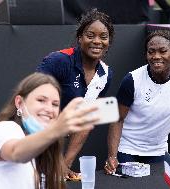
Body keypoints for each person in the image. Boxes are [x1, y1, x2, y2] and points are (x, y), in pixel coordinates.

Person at [0, 73, 99, 189]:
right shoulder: (4, 128)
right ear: (19, 103)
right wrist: (57, 129)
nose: (49, 109)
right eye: (41, 100)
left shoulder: (46, 149)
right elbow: (16, 152)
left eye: (55, 104)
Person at [104, 29, 170, 174]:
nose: (156, 56)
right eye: (151, 51)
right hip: (127, 149)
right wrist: (112, 156)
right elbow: (118, 119)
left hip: (158, 151)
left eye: (162, 51)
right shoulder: (132, 79)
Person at [36, 9, 114, 177]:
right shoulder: (59, 60)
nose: (97, 41)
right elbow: (35, 107)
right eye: (90, 35)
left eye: (103, 36)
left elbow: (85, 121)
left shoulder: (106, 74)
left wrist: (64, 165)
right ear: (80, 38)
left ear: (109, 41)